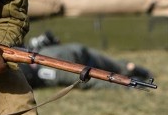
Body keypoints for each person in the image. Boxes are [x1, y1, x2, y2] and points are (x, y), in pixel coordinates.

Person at [19, 32, 153, 89]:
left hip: (83, 52)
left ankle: (135, 70)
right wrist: (128, 86)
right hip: (83, 64)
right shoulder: (46, 72)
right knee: (111, 73)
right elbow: (85, 81)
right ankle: (136, 80)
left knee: (122, 66)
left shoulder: (32, 52)